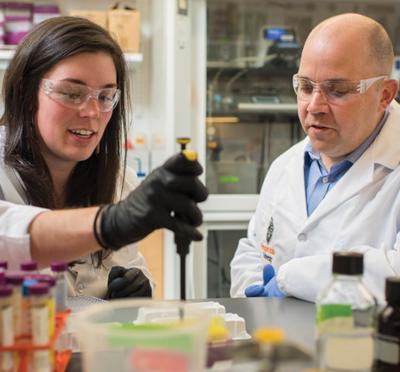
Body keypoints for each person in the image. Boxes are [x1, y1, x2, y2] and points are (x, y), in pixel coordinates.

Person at [0, 16, 208, 299]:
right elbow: (10, 233)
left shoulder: (119, 181)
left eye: (105, 96)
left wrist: (137, 287)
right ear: (25, 93)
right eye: (72, 94)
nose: (92, 112)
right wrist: (108, 223)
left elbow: (127, 264)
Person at [230, 13, 400, 304]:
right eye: (306, 87)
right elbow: (252, 250)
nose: (315, 106)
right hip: (282, 344)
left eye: (337, 90)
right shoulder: (286, 165)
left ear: (384, 94)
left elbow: (394, 273)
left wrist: (289, 280)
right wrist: (258, 296)